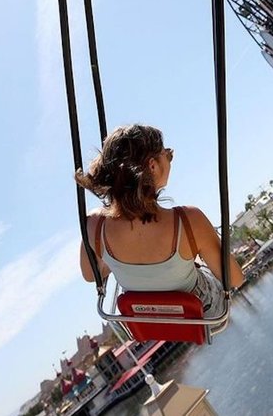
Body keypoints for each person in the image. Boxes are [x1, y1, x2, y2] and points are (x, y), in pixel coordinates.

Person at [76, 124, 244, 318]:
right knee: (200, 261)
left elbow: (91, 275)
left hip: (152, 319)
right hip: (200, 312)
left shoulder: (94, 225)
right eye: (168, 154)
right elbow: (235, 279)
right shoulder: (189, 220)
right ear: (153, 165)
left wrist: (125, 261)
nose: (170, 160)